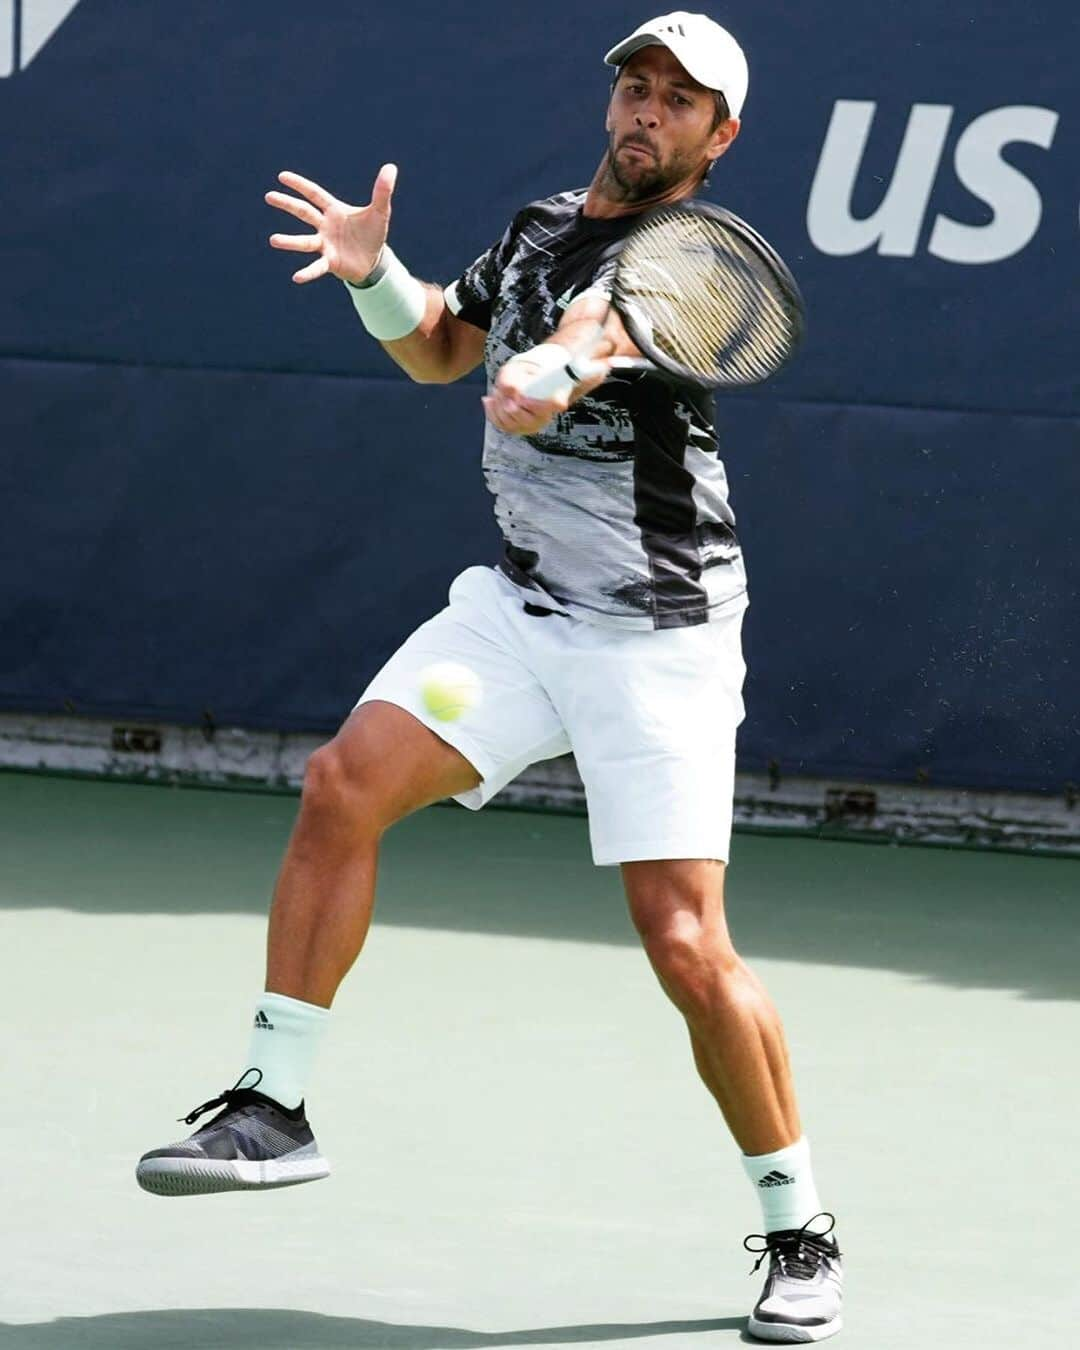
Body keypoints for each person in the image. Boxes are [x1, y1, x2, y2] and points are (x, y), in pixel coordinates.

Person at [136, 11, 843, 1343]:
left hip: (660, 638)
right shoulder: (529, 230)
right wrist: (374, 276)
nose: (645, 109)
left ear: (716, 139)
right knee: (344, 782)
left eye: (677, 100)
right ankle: (271, 1102)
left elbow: (602, 335)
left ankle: (800, 1225)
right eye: (634, 85)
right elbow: (442, 352)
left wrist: (555, 370)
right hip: (520, 617)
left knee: (687, 946)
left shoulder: (690, 260)